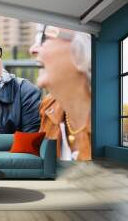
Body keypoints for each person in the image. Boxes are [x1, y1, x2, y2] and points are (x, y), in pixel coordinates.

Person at [29, 25, 92, 161]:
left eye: (44, 39)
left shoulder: (113, 125)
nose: (32, 50)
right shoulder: (47, 108)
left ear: (85, 48)